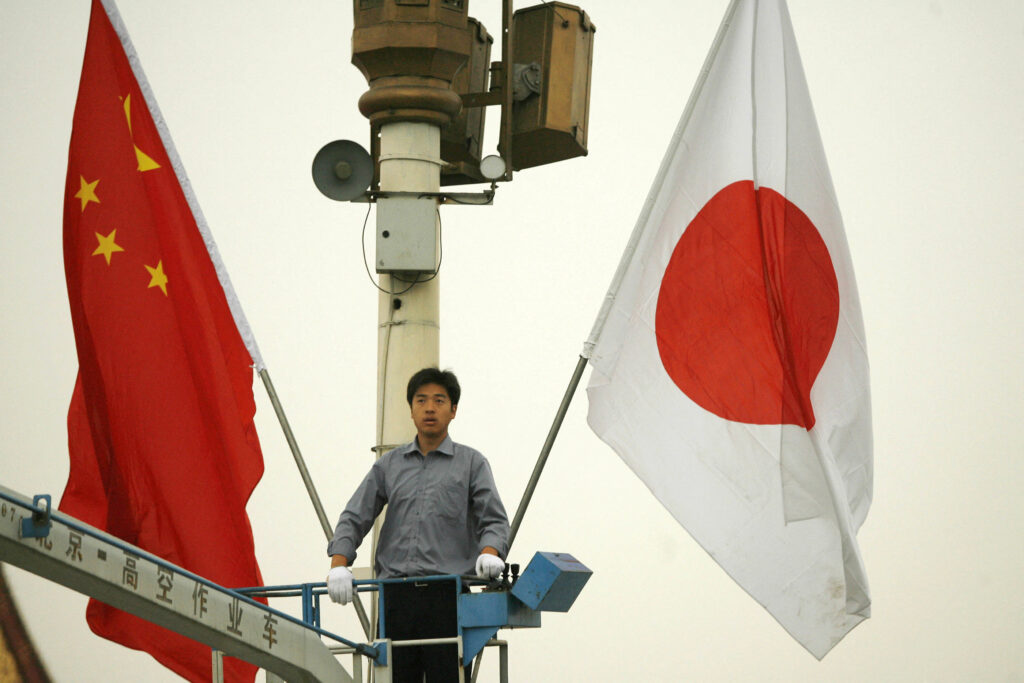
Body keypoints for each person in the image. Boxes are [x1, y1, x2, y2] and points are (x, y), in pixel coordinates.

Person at [326, 367, 509, 682]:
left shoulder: (471, 464)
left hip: (447, 597)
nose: (429, 408)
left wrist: (491, 552)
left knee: (447, 676)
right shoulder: (388, 466)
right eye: (421, 400)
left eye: (439, 400)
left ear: (453, 410)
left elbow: (492, 518)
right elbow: (355, 516)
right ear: (410, 409)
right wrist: (339, 565)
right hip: (396, 598)